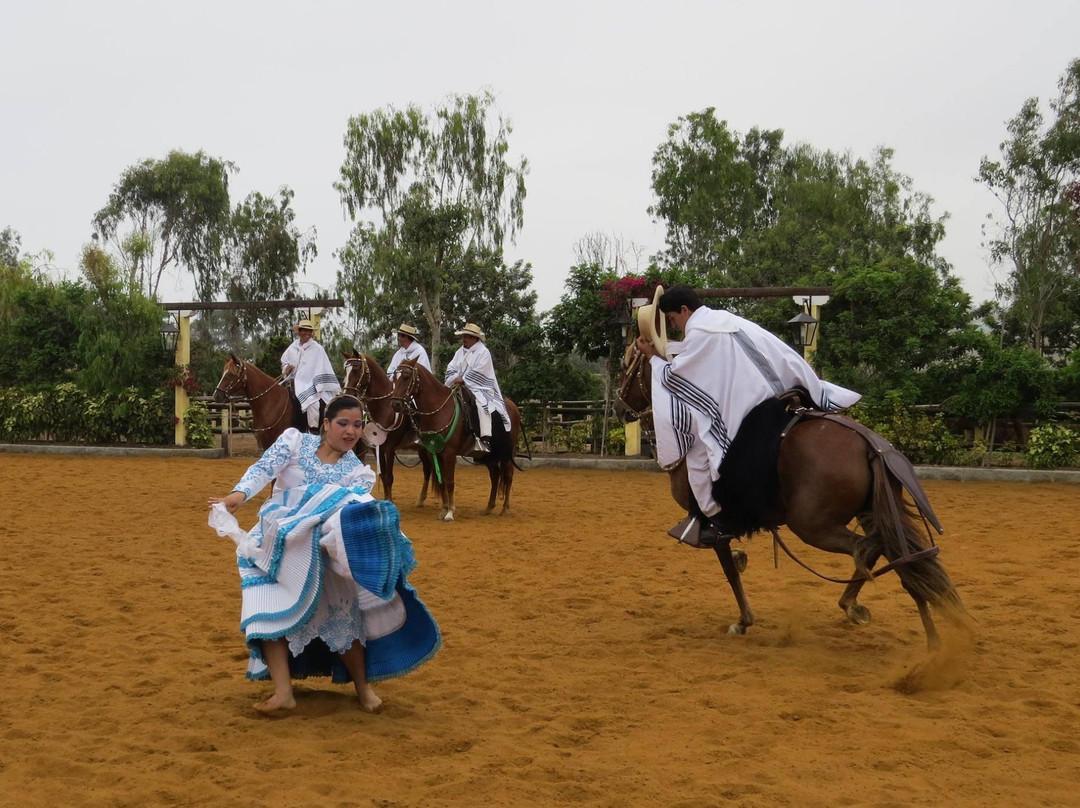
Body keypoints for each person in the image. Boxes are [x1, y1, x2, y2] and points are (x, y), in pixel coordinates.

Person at [207, 394, 440, 714]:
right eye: (343, 423)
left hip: (321, 550)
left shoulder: (357, 473)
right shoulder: (293, 442)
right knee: (266, 608)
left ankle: (363, 688)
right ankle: (283, 693)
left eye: (357, 425)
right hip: (277, 544)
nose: (351, 431)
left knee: (342, 615)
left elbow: (356, 510)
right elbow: (263, 468)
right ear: (326, 424)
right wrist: (237, 496)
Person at [635, 285, 861, 546]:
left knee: (702, 449)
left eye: (673, 318)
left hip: (756, 407)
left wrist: (653, 358)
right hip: (784, 391)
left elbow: (676, 377)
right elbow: (692, 355)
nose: (673, 325)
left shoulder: (699, 334)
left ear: (684, 310)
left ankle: (717, 519)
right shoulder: (724, 319)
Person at [443, 322, 508, 453]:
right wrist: (455, 378)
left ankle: (484, 438)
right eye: (464, 336)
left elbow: (481, 371)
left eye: (467, 336)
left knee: (481, 404)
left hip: (480, 387)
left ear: (475, 338)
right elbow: (451, 367)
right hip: (457, 385)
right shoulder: (460, 352)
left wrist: (463, 378)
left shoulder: (483, 352)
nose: (464, 339)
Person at [281, 318, 341, 430]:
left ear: (312, 332)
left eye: (309, 330)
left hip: (311, 384)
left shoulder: (318, 349)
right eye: (304, 330)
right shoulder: (292, 348)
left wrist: (318, 385)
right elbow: (284, 363)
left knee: (312, 403)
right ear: (299, 332)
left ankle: (313, 430)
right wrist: (287, 369)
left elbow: (323, 368)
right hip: (293, 382)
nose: (306, 333)